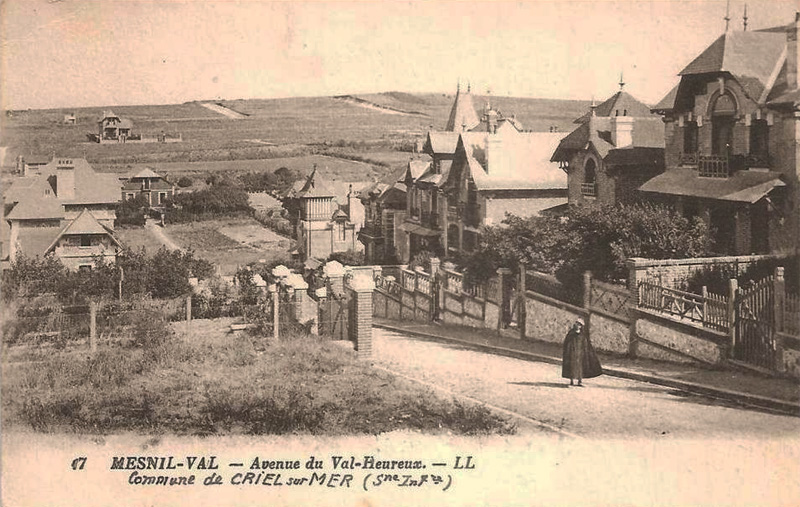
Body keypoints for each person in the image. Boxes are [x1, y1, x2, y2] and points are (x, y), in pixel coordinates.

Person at [562, 318, 602, 386]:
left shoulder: (582, 335)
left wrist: (585, 352)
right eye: (577, 324)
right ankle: (571, 380)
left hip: (580, 353)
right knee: (572, 366)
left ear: (581, 326)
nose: (578, 326)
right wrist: (568, 351)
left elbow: (585, 344)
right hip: (573, 352)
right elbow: (567, 342)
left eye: (579, 325)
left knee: (580, 367)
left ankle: (579, 381)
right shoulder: (571, 333)